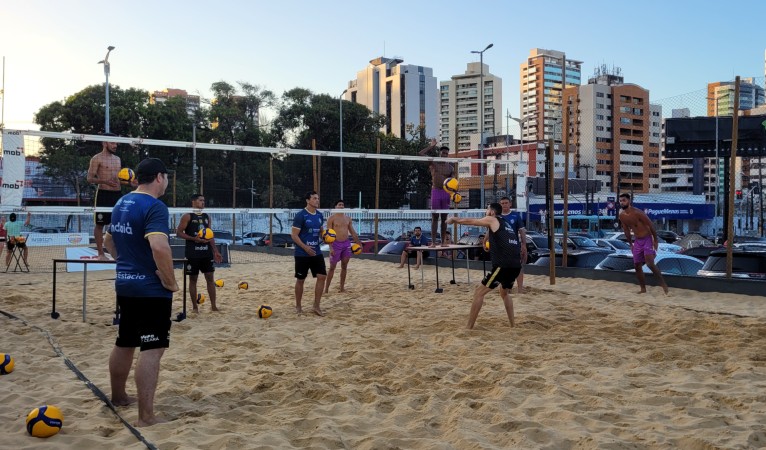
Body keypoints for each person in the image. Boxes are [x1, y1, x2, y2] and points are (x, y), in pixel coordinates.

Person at [103, 157, 178, 427]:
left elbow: (108, 241)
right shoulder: (155, 206)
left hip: (125, 283)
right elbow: (160, 247)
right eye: (167, 177)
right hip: (149, 288)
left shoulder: (121, 203)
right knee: (153, 347)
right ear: (159, 177)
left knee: (125, 341)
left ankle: (119, 396)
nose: (167, 182)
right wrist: (170, 281)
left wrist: (125, 264)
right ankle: (146, 417)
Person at [447, 202, 522, 329]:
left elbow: (471, 221)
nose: (485, 213)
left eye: (487, 210)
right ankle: (512, 325)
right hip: (516, 265)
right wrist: (488, 241)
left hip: (503, 265)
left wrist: (454, 219)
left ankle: (469, 327)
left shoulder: (492, 219)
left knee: (479, 292)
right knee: (504, 292)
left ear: (492, 212)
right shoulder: (506, 223)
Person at [176, 194, 223, 313]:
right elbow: (179, 233)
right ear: (193, 202)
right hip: (193, 254)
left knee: (210, 279)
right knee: (193, 279)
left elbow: (210, 235)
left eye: (204, 200)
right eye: (200, 200)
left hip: (206, 253)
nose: (203, 202)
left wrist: (216, 251)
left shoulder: (207, 216)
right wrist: (194, 239)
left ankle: (214, 306)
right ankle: (195, 308)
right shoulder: (187, 216)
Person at [618, 193, 669, 294]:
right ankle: (643, 289)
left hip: (647, 239)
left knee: (650, 263)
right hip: (637, 241)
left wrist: (655, 240)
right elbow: (626, 231)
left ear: (629, 201)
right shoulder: (622, 215)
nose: (622, 202)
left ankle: (663, 284)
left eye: (624, 200)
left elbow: (650, 225)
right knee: (637, 265)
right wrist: (631, 244)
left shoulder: (638, 213)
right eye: (620, 201)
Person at [291, 191, 327, 316]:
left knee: (322, 276)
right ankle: (298, 306)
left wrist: (327, 236)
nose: (317, 200)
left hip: (316, 252)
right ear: (308, 200)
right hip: (302, 253)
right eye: (314, 198)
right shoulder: (301, 215)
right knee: (301, 279)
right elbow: (294, 236)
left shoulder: (320, 215)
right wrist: (305, 247)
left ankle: (316, 306)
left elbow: (321, 232)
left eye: (318, 198)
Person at [88, 134, 123, 260]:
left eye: (116, 143)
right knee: (99, 224)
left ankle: (118, 253)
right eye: (113, 143)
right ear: (104, 143)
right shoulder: (97, 158)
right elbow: (90, 178)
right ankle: (101, 254)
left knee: (119, 223)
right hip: (104, 194)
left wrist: (130, 183)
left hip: (117, 194)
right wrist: (105, 182)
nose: (115, 145)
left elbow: (120, 179)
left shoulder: (117, 159)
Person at [419, 138, 453, 248]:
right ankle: (433, 242)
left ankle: (443, 242)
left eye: (446, 153)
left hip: (446, 192)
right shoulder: (433, 162)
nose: (444, 155)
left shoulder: (451, 167)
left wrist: (454, 193)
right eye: (443, 153)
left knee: (444, 219)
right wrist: (432, 146)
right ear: (439, 153)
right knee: (434, 217)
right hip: (436, 191)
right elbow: (420, 154)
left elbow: (453, 182)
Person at [324, 199, 361, 294]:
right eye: (339, 205)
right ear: (335, 207)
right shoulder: (331, 218)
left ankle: (341, 288)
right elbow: (328, 235)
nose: (341, 206)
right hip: (335, 244)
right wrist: (331, 248)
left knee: (344, 266)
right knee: (332, 267)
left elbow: (352, 232)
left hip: (346, 243)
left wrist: (358, 243)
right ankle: (326, 289)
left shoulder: (348, 218)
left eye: (342, 205)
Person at [500, 196, 528, 293]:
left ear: (510, 204)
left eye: (506, 203)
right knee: (504, 267)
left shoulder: (515, 216)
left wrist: (524, 245)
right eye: (502, 203)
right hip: (502, 246)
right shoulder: (497, 216)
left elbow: (522, 231)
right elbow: (490, 230)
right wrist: (486, 240)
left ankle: (520, 289)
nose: (504, 205)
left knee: (518, 267)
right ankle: (506, 288)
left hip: (514, 245)